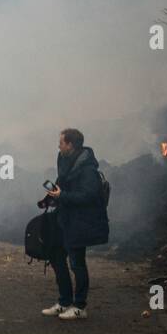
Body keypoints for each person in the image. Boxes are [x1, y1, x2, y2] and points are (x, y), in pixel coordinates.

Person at [42, 128, 109, 322]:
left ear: (70, 145)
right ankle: (64, 301)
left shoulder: (88, 169)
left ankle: (79, 306)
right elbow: (62, 182)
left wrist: (62, 196)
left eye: (61, 142)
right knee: (56, 257)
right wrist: (51, 197)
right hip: (65, 218)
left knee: (77, 264)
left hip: (81, 222)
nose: (58, 145)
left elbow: (89, 196)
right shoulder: (64, 160)